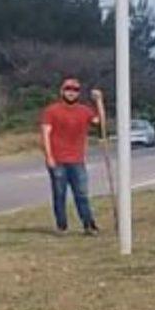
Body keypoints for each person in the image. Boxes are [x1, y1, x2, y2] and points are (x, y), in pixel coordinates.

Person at [39, 76, 101, 235]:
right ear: (62, 91)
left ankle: (89, 225)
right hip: (58, 159)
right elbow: (45, 133)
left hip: (77, 160)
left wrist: (99, 101)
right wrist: (49, 156)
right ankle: (62, 226)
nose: (71, 93)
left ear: (79, 93)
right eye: (68, 89)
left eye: (75, 90)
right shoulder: (52, 111)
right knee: (59, 195)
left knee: (82, 194)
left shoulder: (84, 111)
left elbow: (100, 122)